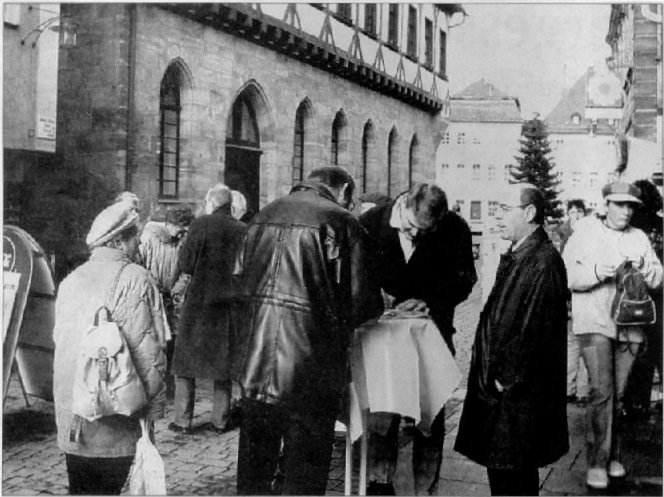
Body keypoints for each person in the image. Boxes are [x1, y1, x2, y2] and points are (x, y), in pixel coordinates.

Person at [234, 166, 382, 495]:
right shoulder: (342, 222)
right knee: (304, 470)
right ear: (343, 191)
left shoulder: (262, 216)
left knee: (253, 468)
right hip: (312, 367)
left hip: (256, 363)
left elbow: (239, 281)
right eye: (353, 199)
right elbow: (365, 304)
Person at [359, 183, 477, 495]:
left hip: (432, 337)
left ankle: (426, 489)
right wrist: (377, 299)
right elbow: (359, 276)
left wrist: (430, 301)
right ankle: (379, 482)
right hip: (383, 339)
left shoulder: (455, 229)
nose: (416, 236)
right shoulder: (371, 224)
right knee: (383, 413)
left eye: (426, 231)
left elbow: (465, 279)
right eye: (411, 227)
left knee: (430, 415)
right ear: (404, 206)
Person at [455, 183, 569, 496]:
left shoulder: (542, 260)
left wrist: (505, 379)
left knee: (513, 478)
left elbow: (535, 329)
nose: (497, 215)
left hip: (515, 398)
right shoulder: (525, 253)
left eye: (506, 209)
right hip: (508, 395)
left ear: (530, 213)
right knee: (507, 475)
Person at [53, 201, 167, 495]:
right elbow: (149, 357)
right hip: (116, 419)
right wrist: (149, 424)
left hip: (74, 418)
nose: (139, 242)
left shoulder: (70, 281)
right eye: (134, 237)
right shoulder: (138, 279)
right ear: (117, 240)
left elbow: (60, 346)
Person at [563, 180, 662, 489]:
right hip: (594, 322)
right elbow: (568, 276)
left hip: (630, 326)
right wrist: (598, 271)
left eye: (631, 205)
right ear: (605, 204)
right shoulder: (585, 232)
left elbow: (658, 279)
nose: (626, 211)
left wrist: (647, 268)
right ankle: (596, 462)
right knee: (602, 391)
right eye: (620, 204)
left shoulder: (640, 237)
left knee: (618, 395)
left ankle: (612, 454)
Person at [169, 184, 247, 434]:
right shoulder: (242, 229)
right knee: (222, 364)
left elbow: (187, 264)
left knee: (185, 363)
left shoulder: (200, 225)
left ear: (212, 203)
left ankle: (182, 420)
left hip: (199, 303)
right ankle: (220, 420)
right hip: (227, 306)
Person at [139, 206, 195, 397]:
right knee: (152, 344)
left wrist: (176, 290)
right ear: (170, 224)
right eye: (181, 229)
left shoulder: (182, 241)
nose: (183, 234)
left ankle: (167, 388)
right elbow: (139, 267)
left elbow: (187, 271)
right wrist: (153, 290)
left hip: (171, 300)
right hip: (152, 299)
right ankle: (152, 387)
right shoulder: (148, 237)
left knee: (170, 344)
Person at [623, 179, 664, 418]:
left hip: (636, 298)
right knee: (658, 350)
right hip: (661, 299)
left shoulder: (633, 228)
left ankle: (635, 404)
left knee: (636, 351)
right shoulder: (661, 225)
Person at [558, 200, 590, 405]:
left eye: (579, 211)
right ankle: (573, 388)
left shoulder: (574, 236)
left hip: (582, 299)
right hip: (573, 298)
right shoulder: (565, 235)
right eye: (573, 212)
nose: (576, 215)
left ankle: (580, 390)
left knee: (581, 345)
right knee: (574, 344)